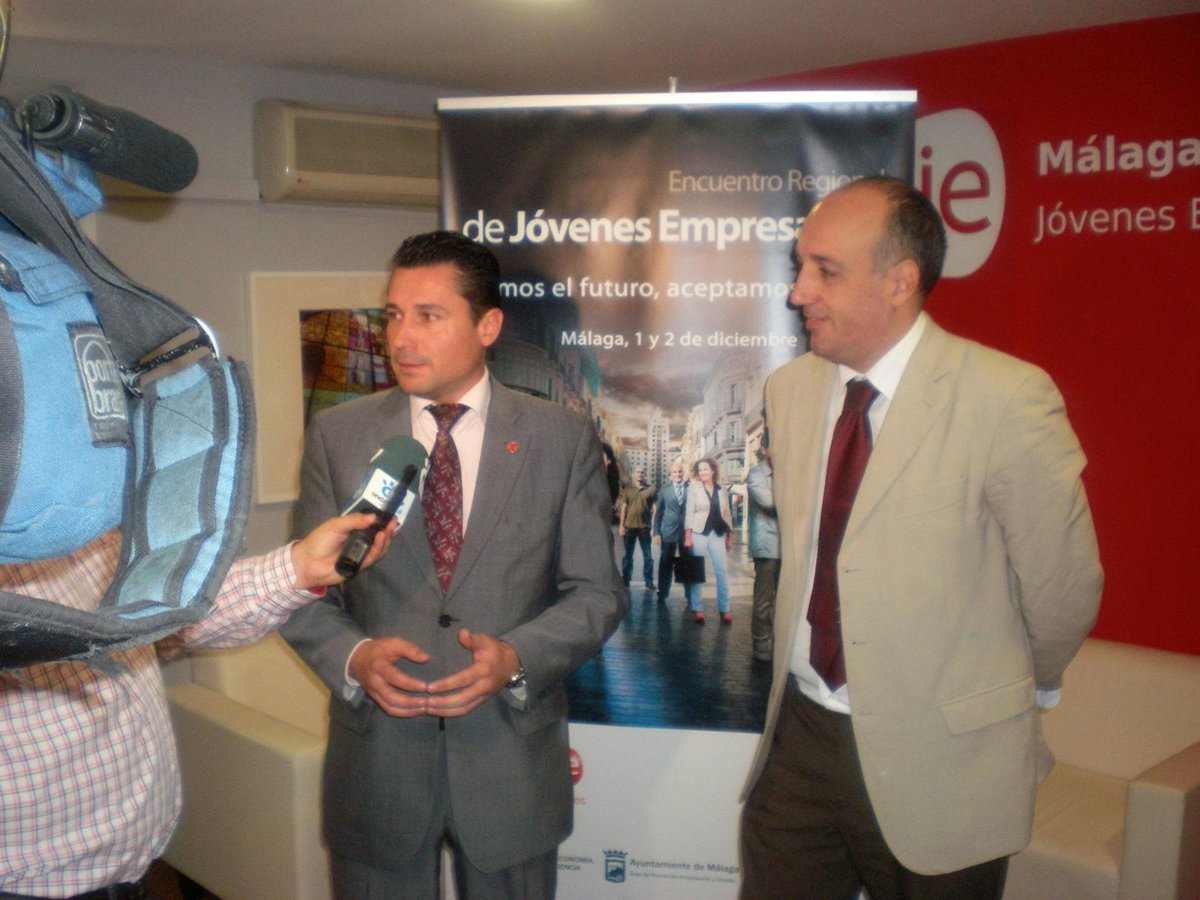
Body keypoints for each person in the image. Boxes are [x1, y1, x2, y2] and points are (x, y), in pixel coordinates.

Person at [738, 176, 1102, 899]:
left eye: (826, 271)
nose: (797, 292)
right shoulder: (791, 390)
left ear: (900, 281)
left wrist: (1026, 685)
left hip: (944, 757)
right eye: (800, 266)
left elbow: (1063, 586)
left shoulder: (1005, 396)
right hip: (802, 738)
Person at [280, 230, 626, 899]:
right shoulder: (338, 437)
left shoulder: (559, 438)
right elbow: (301, 591)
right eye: (393, 315)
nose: (401, 338)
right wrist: (354, 659)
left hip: (510, 762)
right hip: (378, 765)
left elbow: (597, 594)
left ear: (487, 326)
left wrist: (517, 659)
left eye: (428, 316)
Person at [0, 512, 396, 899]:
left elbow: (175, 615)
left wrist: (300, 567)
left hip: (127, 868)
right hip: (28, 881)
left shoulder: (76, 514)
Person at [683, 456, 734, 625]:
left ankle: (724, 609)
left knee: (722, 572)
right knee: (697, 571)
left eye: (706, 469)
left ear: (713, 471)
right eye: (700, 470)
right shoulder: (694, 489)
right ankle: (698, 609)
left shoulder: (722, 490)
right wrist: (688, 536)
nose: (703, 472)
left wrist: (730, 536)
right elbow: (689, 512)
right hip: (699, 533)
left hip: (717, 534)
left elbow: (727, 513)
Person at [746, 444, 780, 662]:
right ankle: (761, 641)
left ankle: (778, 642)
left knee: (783, 598)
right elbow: (769, 502)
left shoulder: (783, 473)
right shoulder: (756, 473)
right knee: (765, 597)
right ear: (766, 449)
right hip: (767, 545)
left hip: (785, 544)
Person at [651, 459, 689, 603]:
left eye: (680, 471)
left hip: (686, 532)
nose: (678, 474)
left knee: (686, 562)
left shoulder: (691, 488)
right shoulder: (665, 490)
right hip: (668, 532)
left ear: (683, 473)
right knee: (665, 562)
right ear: (670, 475)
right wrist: (656, 532)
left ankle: (689, 593)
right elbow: (659, 513)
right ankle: (663, 592)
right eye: (675, 472)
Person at [617, 464, 657, 592]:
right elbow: (623, 508)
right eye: (638, 472)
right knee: (628, 556)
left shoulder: (651, 489)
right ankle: (626, 580)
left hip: (645, 527)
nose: (640, 474)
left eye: (642, 472)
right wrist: (621, 526)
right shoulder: (627, 490)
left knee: (648, 556)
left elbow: (655, 508)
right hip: (629, 527)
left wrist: (653, 526)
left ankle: (649, 582)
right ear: (633, 474)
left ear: (645, 474)